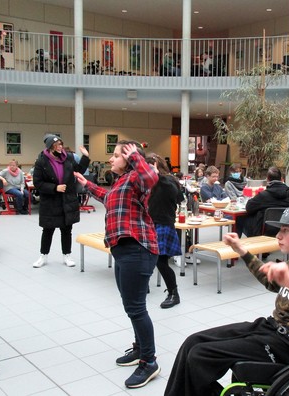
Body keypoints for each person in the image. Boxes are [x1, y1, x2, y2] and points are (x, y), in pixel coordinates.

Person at [164, 204, 289, 396]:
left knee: (200, 355)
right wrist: (241, 250)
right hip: (273, 329)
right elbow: (270, 281)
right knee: (193, 342)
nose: (279, 236)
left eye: (286, 230)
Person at [74, 140, 161, 389]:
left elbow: (151, 178)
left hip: (137, 248)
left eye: (115, 155)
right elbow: (109, 197)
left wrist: (134, 156)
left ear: (129, 158)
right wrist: (87, 184)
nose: (111, 160)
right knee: (130, 306)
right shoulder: (122, 182)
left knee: (136, 308)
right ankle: (139, 349)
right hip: (123, 250)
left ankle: (149, 361)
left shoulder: (138, 176)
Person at [31, 134, 89, 268]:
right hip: (50, 201)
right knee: (48, 230)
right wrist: (54, 187)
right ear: (50, 147)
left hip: (67, 199)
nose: (60, 147)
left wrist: (85, 156)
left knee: (66, 229)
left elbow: (79, 170)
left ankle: (67, 255)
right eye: (57, 145)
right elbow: (38, 183)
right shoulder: (41, 161)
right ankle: (43, 256)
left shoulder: (67, 157)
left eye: (61, 144)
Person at [145, 153, 184, 309]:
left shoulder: (168, 180)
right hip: (149, 223)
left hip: (163, 224)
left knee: (161, 262)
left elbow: (178, 197)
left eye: (149, 166)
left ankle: (174, 294)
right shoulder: (149, 181)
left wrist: (157, 175)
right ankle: (144, 285)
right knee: (147, 258)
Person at [243, 166, 289, 237]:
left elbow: (248, 208)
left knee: (241, 219)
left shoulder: (263, 195)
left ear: (267, 180)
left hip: (263, 231)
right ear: (281, 179)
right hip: (286, 230)